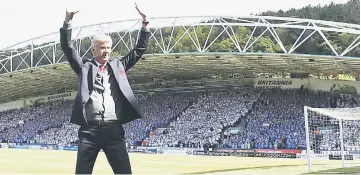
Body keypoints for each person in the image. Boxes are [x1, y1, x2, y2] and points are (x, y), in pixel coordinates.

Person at [60, 6, 150, 175]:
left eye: (108, 47)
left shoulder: (118, 65)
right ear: (93, 50)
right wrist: (68, 21)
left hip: (113, 130)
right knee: (82, 172)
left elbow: (139, 50)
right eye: (102, 47)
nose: (106, 51)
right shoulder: (84, 67)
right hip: (89, 131)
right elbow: (68, 48)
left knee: (124, 172)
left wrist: (144, 24)